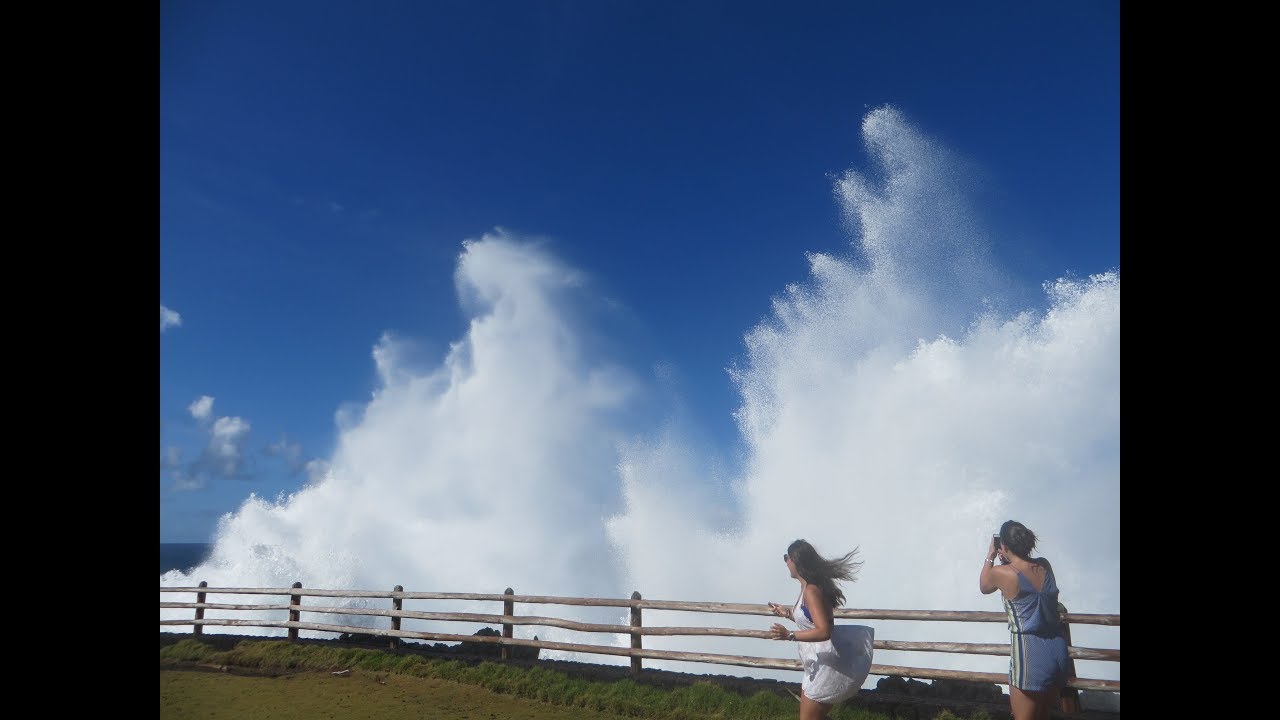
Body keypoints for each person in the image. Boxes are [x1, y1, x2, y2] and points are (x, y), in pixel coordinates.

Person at [767, 539, 875, 720]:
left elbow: (824, 631)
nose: (785, 562)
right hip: (818, 663)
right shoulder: (807, 587)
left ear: (796, 561)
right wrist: (787, 613)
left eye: (787, 558)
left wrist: (789, 635)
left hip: (828, 665)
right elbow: (810, 621)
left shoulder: (811, 591)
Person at [980, 520, 1071, 720]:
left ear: (1003, 545)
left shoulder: (1002, 573)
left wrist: (990, 555)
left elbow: (985, 586)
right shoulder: (1044, 565)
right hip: (1057, 650)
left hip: (1030, 655)